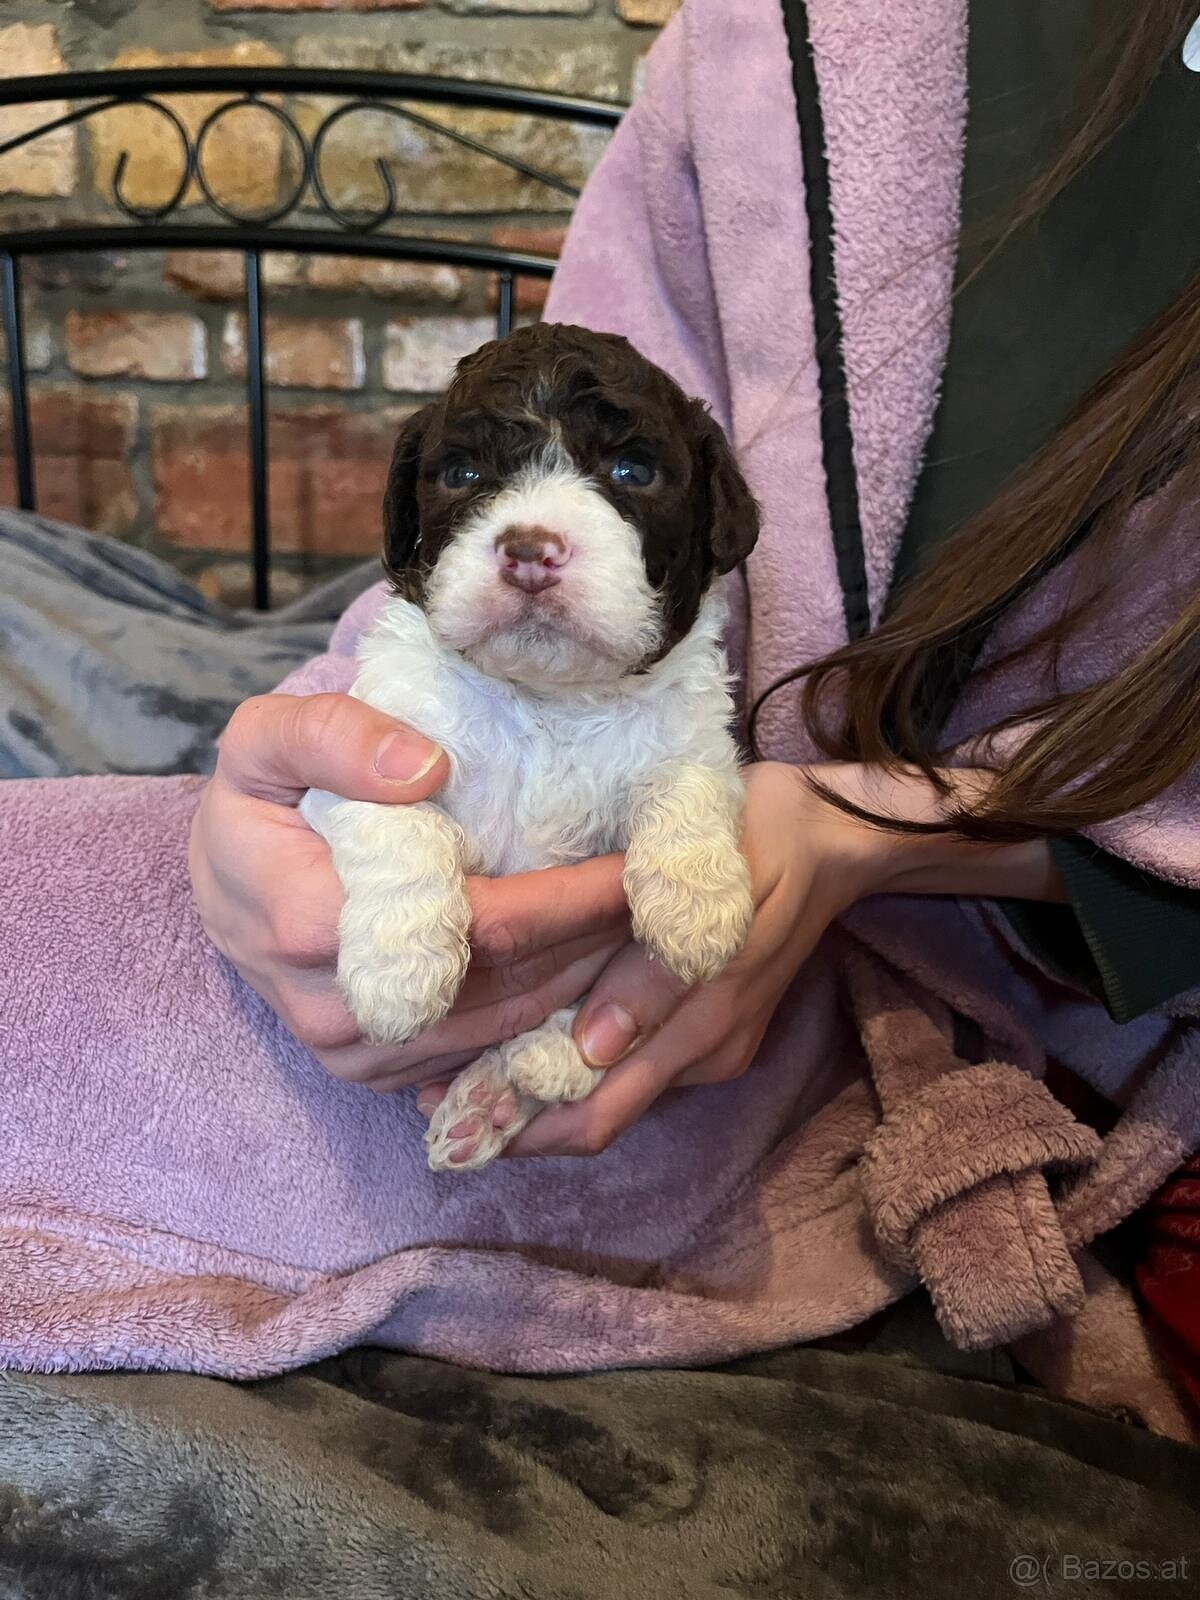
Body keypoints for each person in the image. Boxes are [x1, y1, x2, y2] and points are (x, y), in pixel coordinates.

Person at [3, 0, 1198, 1409]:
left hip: (1026, 986)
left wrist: (871, 832)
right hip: (634, 855)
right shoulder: (790, 33)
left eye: (629, 482)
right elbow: (580, 437)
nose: (540, 522)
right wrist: (300, 768)